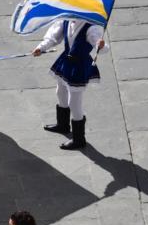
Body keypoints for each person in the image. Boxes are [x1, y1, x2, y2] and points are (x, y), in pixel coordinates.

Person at [33, 19, 107, 150]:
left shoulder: (91, 27)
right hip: (66, 61)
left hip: (79, 65)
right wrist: (41, 47)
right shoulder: (66, 21)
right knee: (60, 92)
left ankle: (79, 139)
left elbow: (97, 42)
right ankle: (63, 125)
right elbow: (53, 37)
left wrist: (100, 45)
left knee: (74, 102)